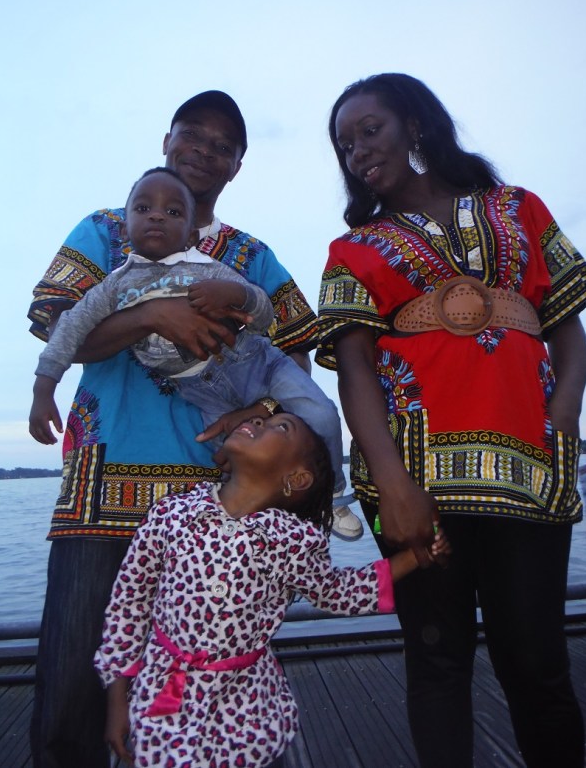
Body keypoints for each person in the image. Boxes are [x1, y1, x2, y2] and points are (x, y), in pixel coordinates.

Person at [27, 91, 360, 768]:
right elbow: (58, 326)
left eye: (221, 145)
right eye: (192, 136)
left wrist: (268, 414)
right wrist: (156, 318)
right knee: (70, 691)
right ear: (166, 141)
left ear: (237, 165)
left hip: (220, 511)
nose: (203, 151)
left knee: (196, 695)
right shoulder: (107, 228)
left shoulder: (250, 256)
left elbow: (295, 344)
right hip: (104, 487)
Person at [315, 73, 586, 768]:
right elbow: (354, 371)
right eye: (344, 144)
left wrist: (562, 413)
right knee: (437, 663)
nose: (356, 151)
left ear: (416, 124)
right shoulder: (352, 251)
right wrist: (393, 483)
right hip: (414, 476)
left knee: (537, 664)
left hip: (529, 468)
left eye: (368, 130)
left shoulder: (517, 207)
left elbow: (568, 330)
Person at [94, 412, 451, 768]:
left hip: (247, 709)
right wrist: (116, 695)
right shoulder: (171, 513)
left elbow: (338, 591)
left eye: (281, 427)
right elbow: (129, 601)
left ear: (295, 478)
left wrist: (415, 558)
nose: (260, 423)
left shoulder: (293, 541)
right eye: (263, 421)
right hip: (162, 699)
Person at [29, 166, 347, 494]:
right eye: (143, 209)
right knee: (226, 455)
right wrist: (44, 388)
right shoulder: (113, 288)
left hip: (254, 363)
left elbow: (265, 317)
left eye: (172, 212)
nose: (156, 216)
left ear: (191, 235)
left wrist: (239, 294)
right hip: (198, 389)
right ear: (123, 230)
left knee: (320, 415)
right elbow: (69, 329)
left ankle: (332, 493)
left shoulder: (208, 269)